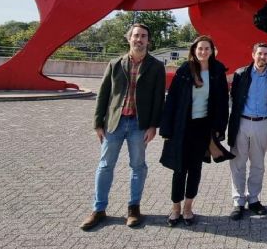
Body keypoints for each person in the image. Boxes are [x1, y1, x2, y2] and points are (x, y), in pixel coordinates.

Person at [80, 23, 166, 230]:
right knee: (105, 166)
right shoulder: (115, 64)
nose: (139, 39)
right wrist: (98, 123)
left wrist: (153, 125)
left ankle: (133, 208)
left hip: (139, 124)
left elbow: (158, 98)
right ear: (129, 39)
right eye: (136, 35)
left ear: (148, 40)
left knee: (138, 167)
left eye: (143, 36)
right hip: (114, 124)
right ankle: (99, 209)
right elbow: (103, 95)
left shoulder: (156, 66)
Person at [159, 35, 229, 227]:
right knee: (179, 169)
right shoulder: (184, 70)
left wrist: (220, 128)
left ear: (212, 51)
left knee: (195, 169)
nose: (203, 52)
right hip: (183, 127)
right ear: (194, 50)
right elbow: (172, 100)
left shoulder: (217, 71)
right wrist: (166, 128)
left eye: (207, 49)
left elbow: (223, 102)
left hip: (203, 128)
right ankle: (175, 209)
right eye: (200, 48)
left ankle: (188, 208)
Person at [228, 42, 267, 220]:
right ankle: (238, 201)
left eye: (266, 54)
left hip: (263, 124)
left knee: (258, 165)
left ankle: (253, 199)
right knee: (238, 163)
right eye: (260, 54)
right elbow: (234, 99)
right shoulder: (240, 74)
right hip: (242, 123)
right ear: (253, 54)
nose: (263, 57)